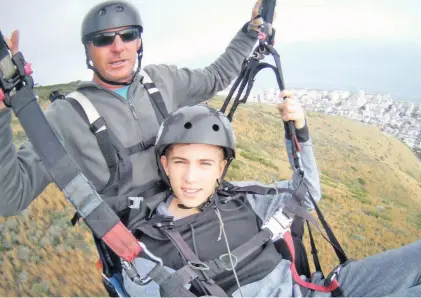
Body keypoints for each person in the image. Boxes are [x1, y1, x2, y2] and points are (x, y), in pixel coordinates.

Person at [116, 91, 421, 297]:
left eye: (205, 163)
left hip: (312, 289)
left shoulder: (244, 199)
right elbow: (141, 286)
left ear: (221, 168)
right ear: (164, 163)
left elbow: (304, 195)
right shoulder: (150, 239)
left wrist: (299, 132)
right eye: (180, 162)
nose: (191, 177)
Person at [0, 0, 267, 216]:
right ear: (88, 50)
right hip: (141, 245)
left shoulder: (162, 80)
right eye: (103, 40)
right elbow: (11, 198)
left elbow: (215, 77)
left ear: (138, 42)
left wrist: (250, 34)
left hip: (194, 210)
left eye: (128, 35)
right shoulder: (65, 117)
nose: (118, 48)